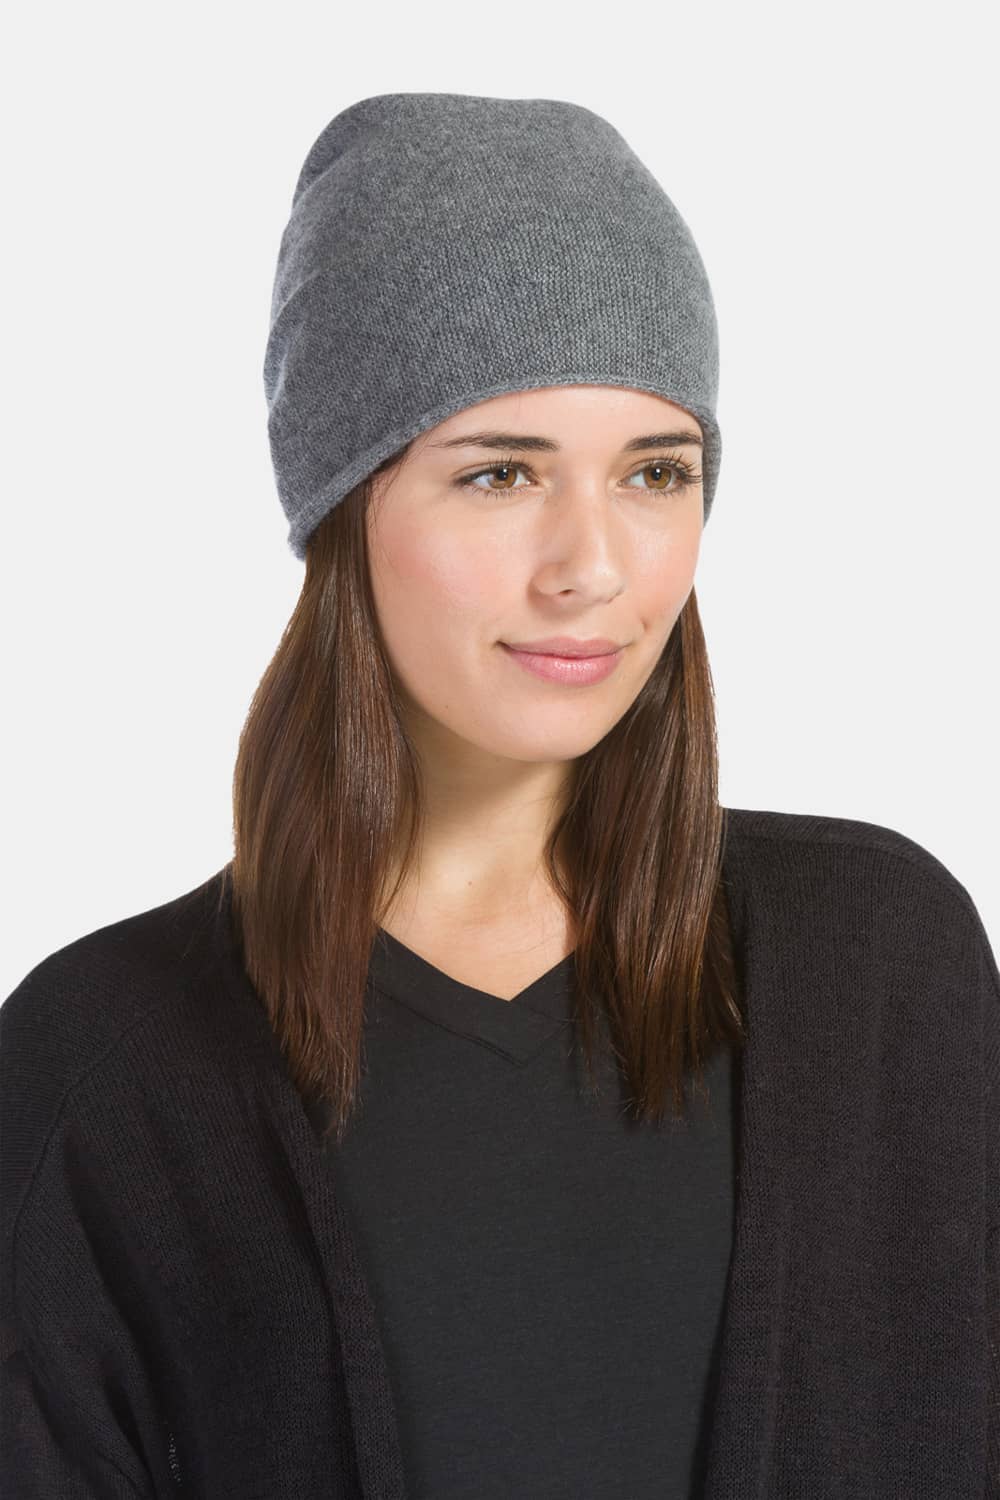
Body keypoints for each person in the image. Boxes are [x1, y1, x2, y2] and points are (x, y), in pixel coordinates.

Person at [2, 92, 997, 1500]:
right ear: (346, 506)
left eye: (656, 472)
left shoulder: (881, 960)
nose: (591, 566)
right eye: (500, 473)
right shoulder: (107, 1055)